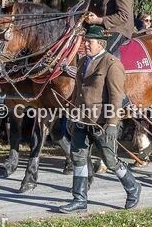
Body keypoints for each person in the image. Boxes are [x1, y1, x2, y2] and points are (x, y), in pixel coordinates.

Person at [60, 25, 140, 213]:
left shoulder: (111, 63)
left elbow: (116, 97)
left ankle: (133, 187)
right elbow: (77, 92)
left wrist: (112, 124)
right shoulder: (82, 62)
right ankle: (79, 199)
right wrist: (72, 114)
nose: (86, 45)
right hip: (81, 120)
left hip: (101, 123)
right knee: (78, 158)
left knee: (110, 161)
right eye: (85, 41)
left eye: (89, 42)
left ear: (101, 43)